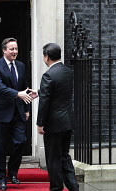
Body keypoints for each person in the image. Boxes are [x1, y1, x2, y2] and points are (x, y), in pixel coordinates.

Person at [29, 43, 79, 191]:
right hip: (67, 122)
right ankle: (73, 186)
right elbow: (58, 90)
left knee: (53, 158)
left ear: (47, 56)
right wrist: (39, 91)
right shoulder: (67, 71)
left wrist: (40, 123)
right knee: (64, 155)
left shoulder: (48, 75)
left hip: (54, 124)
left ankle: (56, 188)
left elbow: (45, 103)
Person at [0, 37, 32, 190]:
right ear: (4, 50)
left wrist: (27, 109)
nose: (15, 52)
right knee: (0, 147)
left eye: (16, 49)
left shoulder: (20, 66)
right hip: (0, 112)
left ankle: (12, 173)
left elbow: (24, 87)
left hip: (18, 111)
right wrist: (17, 94)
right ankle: (1, 179)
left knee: (20, 142)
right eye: (12, 49)